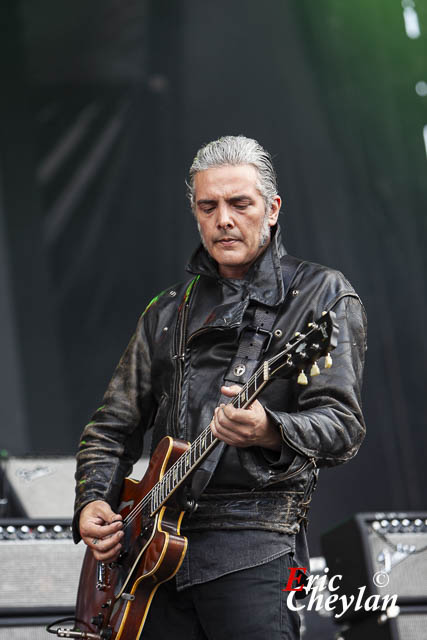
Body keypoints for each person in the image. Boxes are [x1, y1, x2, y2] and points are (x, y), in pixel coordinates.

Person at [74, 135, 367, 639]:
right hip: (152, 558)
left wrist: (269, 428)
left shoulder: (322, 294)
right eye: (208, 207)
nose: (223, 219)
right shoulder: (168, 310)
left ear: (271, 209)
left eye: (239, 204)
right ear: (195, 213)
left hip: (255, 549)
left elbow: (342, 425)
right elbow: (111, 427)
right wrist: (93, 501)